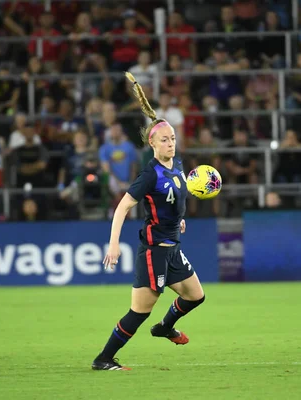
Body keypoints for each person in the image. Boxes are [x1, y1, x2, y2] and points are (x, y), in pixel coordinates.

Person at [92, 72, 206, 371]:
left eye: (173, 138)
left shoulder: (177, 163)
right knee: (139, 311)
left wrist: (178, 220)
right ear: (152, 144)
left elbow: (174, 199)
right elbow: (122, 207)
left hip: (172, 246)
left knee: (196, 296)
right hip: (155, 250)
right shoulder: (149, 174)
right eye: (165, 140)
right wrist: (114, 245)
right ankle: (103, 359)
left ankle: (165, 328)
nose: (171, 143)